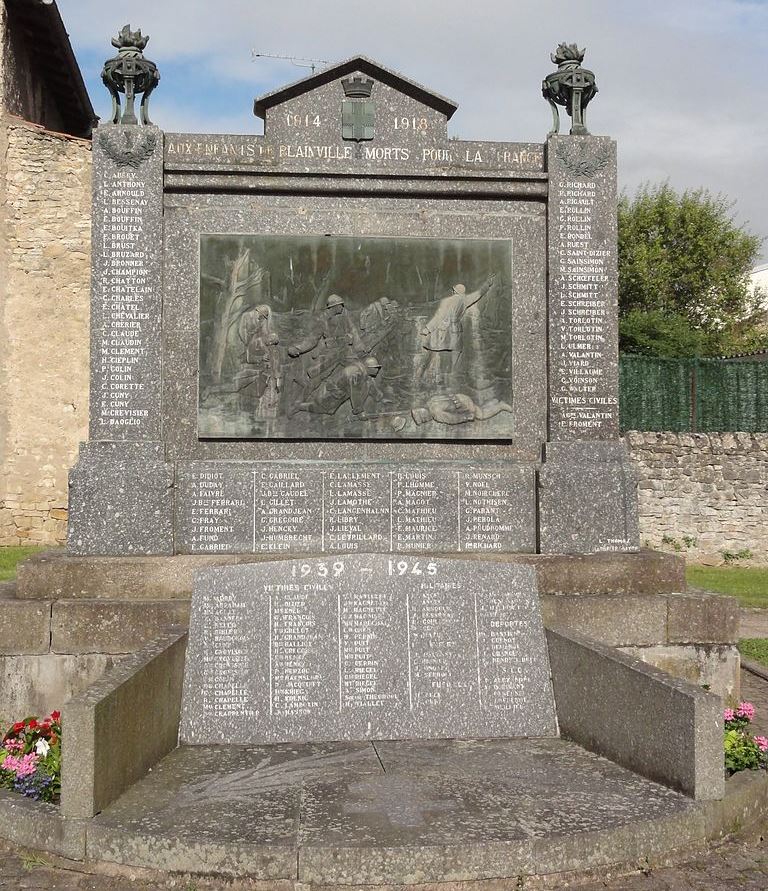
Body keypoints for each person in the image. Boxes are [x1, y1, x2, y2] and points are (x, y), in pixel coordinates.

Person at [416, 273, 497, 381]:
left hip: (444, 330)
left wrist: (427, 329)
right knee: (456, 352)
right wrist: (488, 284)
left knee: (435, 352)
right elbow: (479, 293)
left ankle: (429, 377)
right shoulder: (465, 300)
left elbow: (439, 316)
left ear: (454, 291)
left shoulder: (447, 301)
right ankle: (451, 377)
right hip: (456, 329)